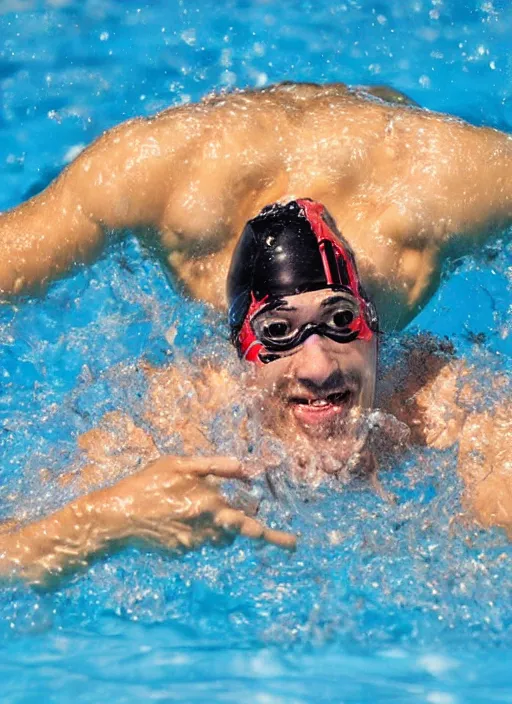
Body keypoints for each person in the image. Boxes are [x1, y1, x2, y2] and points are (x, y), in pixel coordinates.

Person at [0, 82, 510, 584]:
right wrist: (103, 524)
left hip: (406, 163)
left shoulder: (443, 399)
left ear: (373, 326)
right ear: (238, 350)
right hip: (191, 164)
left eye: (339, 321)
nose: (318, 367)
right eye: (278, 331)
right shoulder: (181, 417)